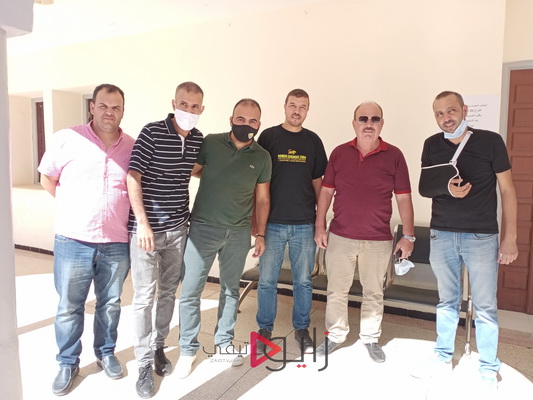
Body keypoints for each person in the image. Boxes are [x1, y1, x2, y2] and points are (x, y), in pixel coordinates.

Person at [412, 91, 518, 388]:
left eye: (451, 111)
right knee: (447, 301)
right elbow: (425, 187)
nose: (446, 118)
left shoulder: (490, 141)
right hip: (442, 233)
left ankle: (488, 368)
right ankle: (442, 357)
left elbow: (508, 190)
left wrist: (510, 238)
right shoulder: (431, 144)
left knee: (485, 306)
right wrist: (448, 189)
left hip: (481, 235)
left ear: (464, 109)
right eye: (439, 113)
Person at [38, 84, 135, 396]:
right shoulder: (67, 138)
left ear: (123, 111)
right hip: (73, 240)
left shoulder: (132, 146)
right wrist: (73, 208)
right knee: (70, 306)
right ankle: (67, 361)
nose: (109, 112)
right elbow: (47, 178)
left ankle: (106, 353)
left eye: (116, 107)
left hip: (116, 242)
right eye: (103, 106)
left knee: (110, 304)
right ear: (92, 107)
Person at [176, 98, 271, 378]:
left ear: (259, 124)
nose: (246, 125)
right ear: (231, 120)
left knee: (230, 290)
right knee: (191, 291)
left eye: (252, 121)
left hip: (238, 233)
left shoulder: (262, 157)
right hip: (202, 229)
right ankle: (187, 350)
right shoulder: (211, 142)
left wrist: (261, 233)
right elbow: (194, 170)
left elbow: (262, 199)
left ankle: (224, 343)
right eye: (241, 119)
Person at [314, 101, 415, 363]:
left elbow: (404, 198)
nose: (368, 124)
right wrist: (319, 225)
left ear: (382, 123)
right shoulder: (339, 153)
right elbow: (326, 192)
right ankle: (336, 335)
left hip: (378, 240)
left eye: (374, 119)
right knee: (337, 290)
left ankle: (370, 338)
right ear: (354, 123)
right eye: (363, 119)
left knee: (374, 292)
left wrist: (408, 236)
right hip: (340, 236)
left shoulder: (394, 155)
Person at [127, 82, 205, 399]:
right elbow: (133, 176)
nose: (188, 110)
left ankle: (159, 346)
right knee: (144, 297)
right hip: (146, 232)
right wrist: (143, 224)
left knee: (169, 291)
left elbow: (197, 169)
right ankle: (144, 363)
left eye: (195, 106)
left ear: (202, 109)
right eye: (184, 104)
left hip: (178, 229)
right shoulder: (152, 132)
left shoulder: (198, 139)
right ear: (174, 103)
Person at [255, 89, 327, 352]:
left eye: (303, 106)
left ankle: (302, 329)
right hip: (272, 223)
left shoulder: (313, 141)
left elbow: (319, 183)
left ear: (308, 110)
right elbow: (258, 181)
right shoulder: (269, 137)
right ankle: (265, 329)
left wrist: (320, 222)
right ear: (285, 106)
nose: (297, 111)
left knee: (304, 281)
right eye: (293, 105)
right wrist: (257, 224)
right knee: (267, 281)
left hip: (304, 224)